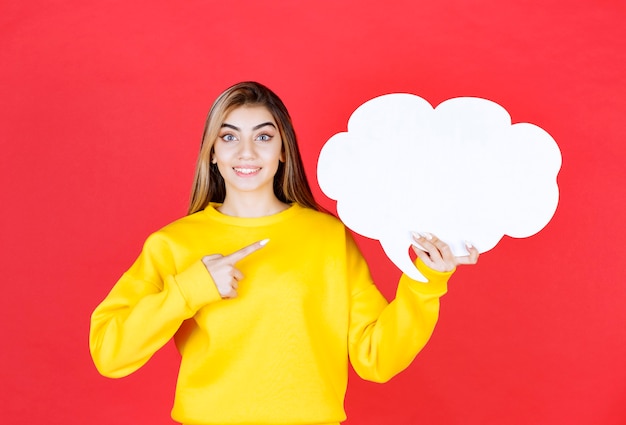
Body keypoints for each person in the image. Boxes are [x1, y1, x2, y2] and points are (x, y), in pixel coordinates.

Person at [89, 81, 479, 425]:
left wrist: (426, 283)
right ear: (211, 153)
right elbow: (110, 353)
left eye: (263, 137)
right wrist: (190, 289)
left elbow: (376, 358)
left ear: (283, 151)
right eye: (228, 137)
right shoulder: (173, 244)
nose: (246, 152)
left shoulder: (327, 237)